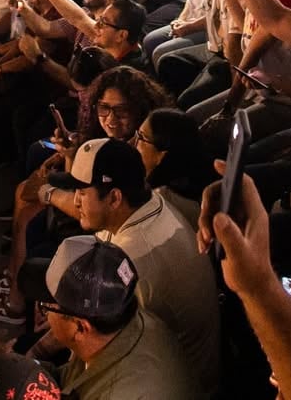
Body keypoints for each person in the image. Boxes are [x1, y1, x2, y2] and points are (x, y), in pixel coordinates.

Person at [54, 137, 220, 390]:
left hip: (171, 384)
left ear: (114, 198)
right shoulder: (146, 204)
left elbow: (94, 335)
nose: (75, 201)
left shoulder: (132, 257)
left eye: (82, 193)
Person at [37, 236, 195, 400]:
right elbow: (68, 380)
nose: (46, 314)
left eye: (46, 307)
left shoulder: (120, 393)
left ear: (80, 327)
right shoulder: (124, 321)